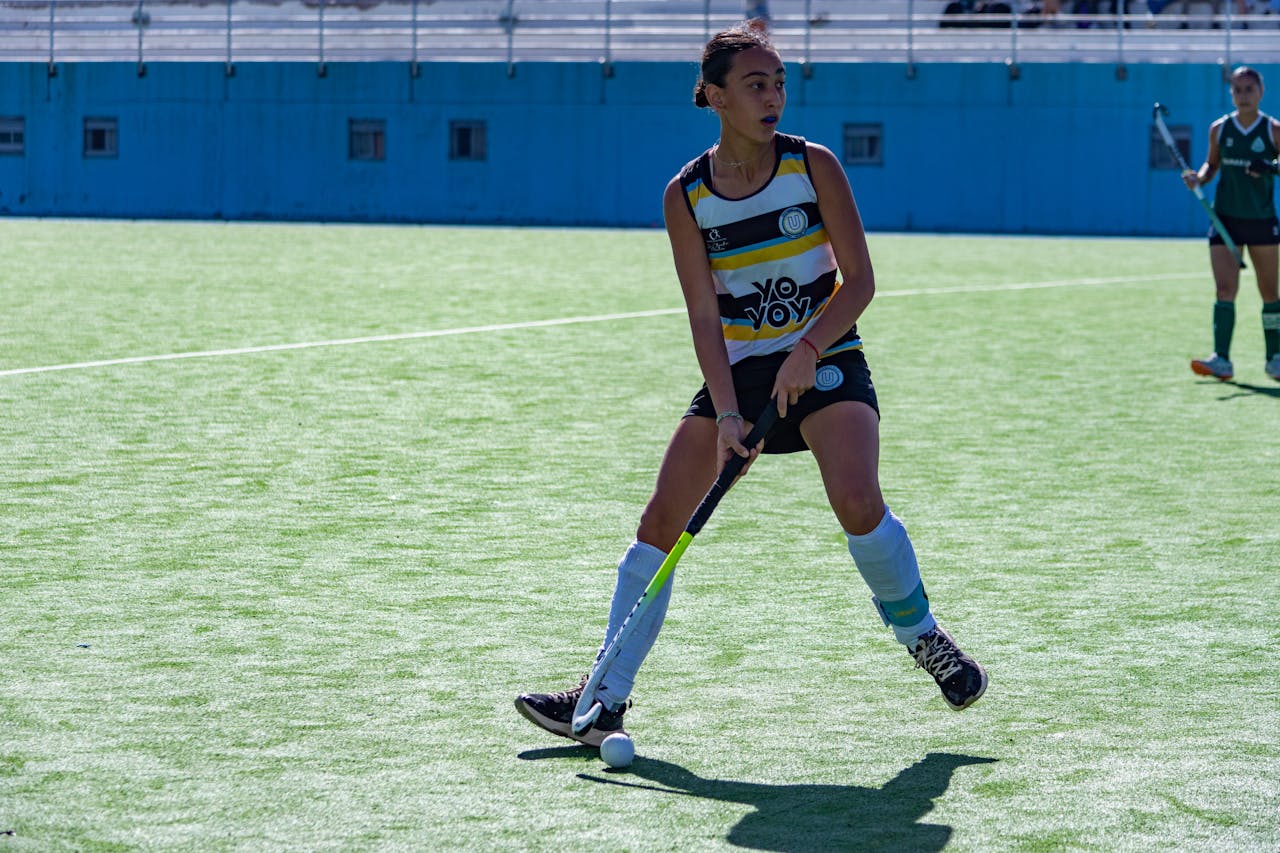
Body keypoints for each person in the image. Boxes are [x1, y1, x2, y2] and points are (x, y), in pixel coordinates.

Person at [514, 24, 988, 749]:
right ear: (713, 95)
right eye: (755, 83)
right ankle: (603, 695)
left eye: (779, 81)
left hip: (828, 353)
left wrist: (807, 347)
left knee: (858, 498)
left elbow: (858, 281)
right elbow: (704, 314)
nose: (773, 96)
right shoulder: (688, 194)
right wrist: (729, 411)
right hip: (738, 371)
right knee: (660, 520)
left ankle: (922, 634)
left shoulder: (813, 165)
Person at [1185, 66, 1280, 383]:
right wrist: (1198, 178)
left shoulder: (1273, 130)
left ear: (1260, 92)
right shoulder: (1219, 129)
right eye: (1237, 90)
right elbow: (1212, 165)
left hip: (1262, 221)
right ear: (1231, 94)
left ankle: (1274, 358)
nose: (1243, 96)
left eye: (1249, 89)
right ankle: (1222, 360)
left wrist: (1270, 167)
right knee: (1225, 289)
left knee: (1269, 292)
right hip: (1224, 220)